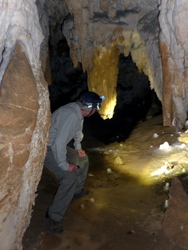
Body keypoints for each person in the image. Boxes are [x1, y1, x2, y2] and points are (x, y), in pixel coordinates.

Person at [44, 91, 104, 233]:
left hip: (56, 146)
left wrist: (78, 148)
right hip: (46, 149)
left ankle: (75, 191)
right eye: (96, 108)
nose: (96, 111)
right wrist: (65, 165)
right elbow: (58, 144)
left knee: (82, 159)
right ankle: (52, 216)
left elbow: (77, 131)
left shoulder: (77, 110)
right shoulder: (71, 115)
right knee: (69, 177)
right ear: (89, 109)